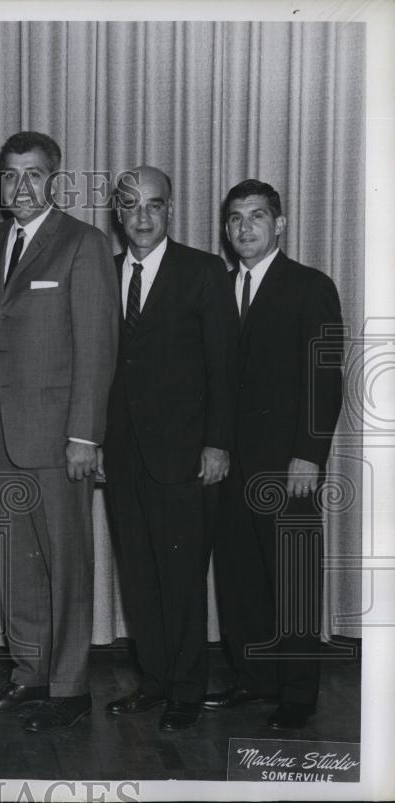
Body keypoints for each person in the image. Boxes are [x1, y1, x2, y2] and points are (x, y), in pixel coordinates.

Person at [0, 131, 119, 733]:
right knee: (17, 562)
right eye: (11, 175)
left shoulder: (82, 243)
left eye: (34, 174)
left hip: (60, 439)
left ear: (54, 180)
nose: (22, 186)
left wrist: (85, 435)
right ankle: (28, 675)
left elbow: (97, 345)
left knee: (65, 561)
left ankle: (69, 687)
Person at [204, 179, 343, 731]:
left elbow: (325, 378)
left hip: (288, 467)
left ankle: (298, 693)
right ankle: (254, 679)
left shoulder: (311, 285)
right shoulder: (215, 287)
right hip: (226, 466)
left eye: (256, 216)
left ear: (279, 225)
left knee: (294, 579)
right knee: (239, 580)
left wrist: (309, 455)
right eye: (235, 218)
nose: (244, 228)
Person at [102, 166, 238, 731]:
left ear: (170, 211)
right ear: (117, 211)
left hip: (185, 457)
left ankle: (186, 687)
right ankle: (154, 683)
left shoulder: (205, 272)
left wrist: (218, 445)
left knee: (181, 578)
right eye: (131, 205)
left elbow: (224, 369)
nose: (141, 216)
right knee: (137, 575)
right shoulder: (102, 273)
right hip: (122, 457)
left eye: (154, 205)